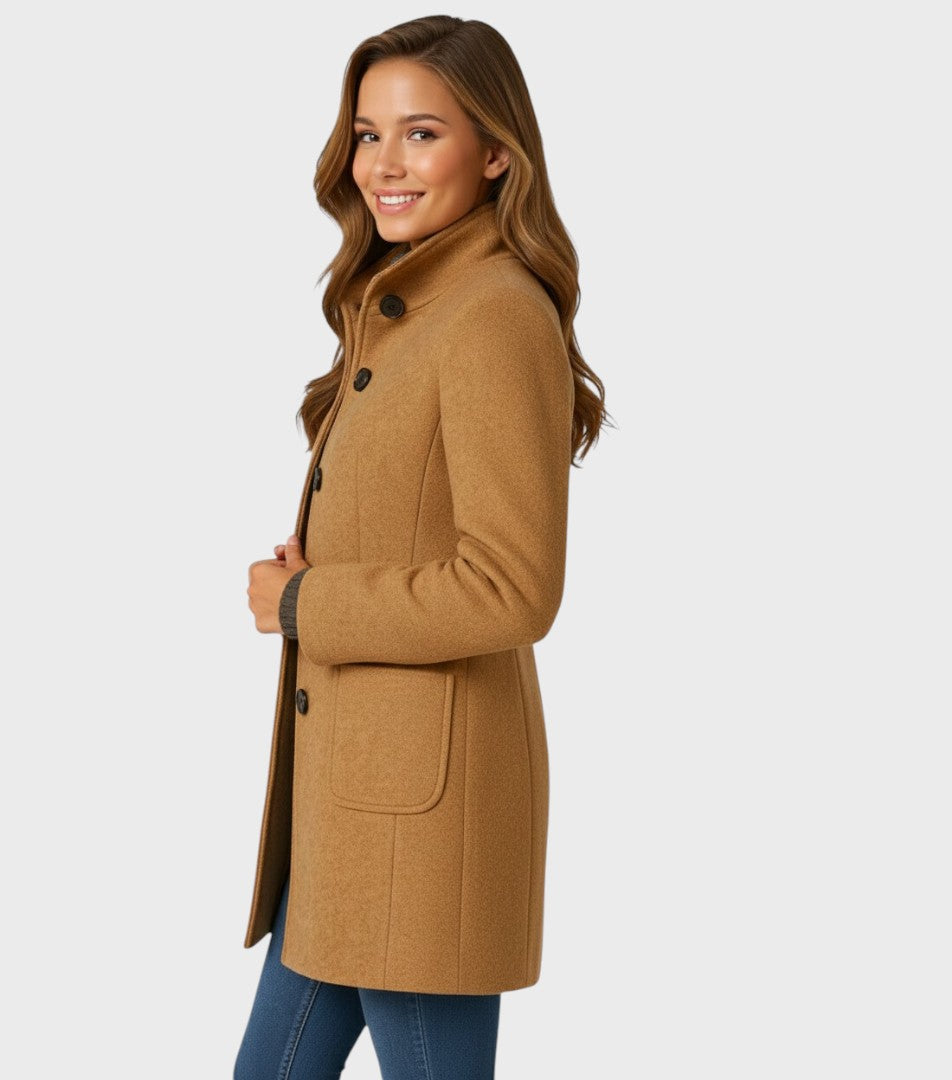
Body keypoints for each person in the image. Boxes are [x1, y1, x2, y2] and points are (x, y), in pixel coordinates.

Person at [239, 15, 608, 1079]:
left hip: (421, 821)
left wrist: (302, 604)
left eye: (422, 133)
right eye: (368, 134)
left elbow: (512, 588)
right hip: (355, 809)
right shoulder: (408, 306)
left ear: (495, 152)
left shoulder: (492, 313)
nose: (383, 165)